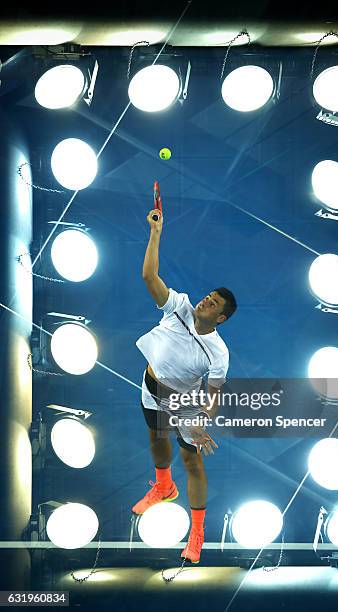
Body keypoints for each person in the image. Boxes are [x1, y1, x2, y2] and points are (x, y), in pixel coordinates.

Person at [132, 208, 237, 564]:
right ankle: (163, 487)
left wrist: (200, 421)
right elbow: (149, 276)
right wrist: (156, 232)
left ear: (220, 318)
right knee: (155, 440)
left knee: (192, 463)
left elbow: (213, 395)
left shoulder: (218, 352)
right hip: (150, 388)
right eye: (208, 296)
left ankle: (197, 530)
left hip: (184, 405)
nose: (206, 300)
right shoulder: (178, 307)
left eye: (214, 303)